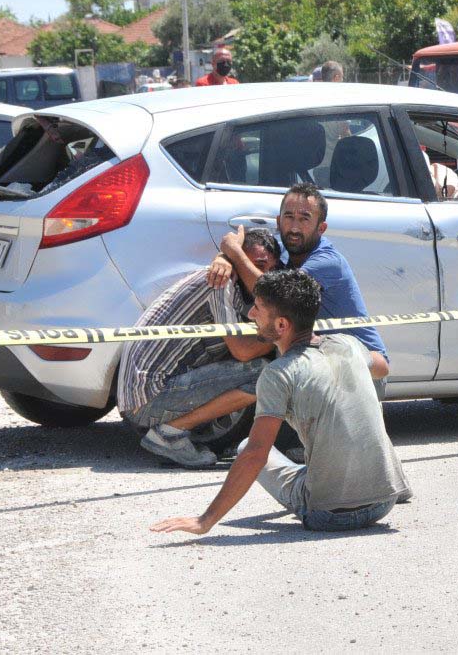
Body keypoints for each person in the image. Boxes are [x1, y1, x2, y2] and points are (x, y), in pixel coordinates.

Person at [150, 270, 411, 534]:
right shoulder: (348, 344)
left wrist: (204, 520)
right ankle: (388, 480)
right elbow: (382, 368)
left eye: (259, 309)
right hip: (383, 502)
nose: (251, 314)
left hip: (330, 516)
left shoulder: (278, 374)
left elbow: (255, 455)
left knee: (243, 447)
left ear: (282, 326)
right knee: (363, 397)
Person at [118, 229, 281, 467]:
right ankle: (169, 435)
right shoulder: (218, 282)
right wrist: (281, 338)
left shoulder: (231, 283)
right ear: (239, 259)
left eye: (269, 270)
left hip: (142, 396)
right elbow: (242, 351)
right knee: (265, 374)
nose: (260, 275)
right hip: (145, 401)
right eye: (256, 265)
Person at [208, 183, 391, 388]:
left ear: (321, 228)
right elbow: (242, 244)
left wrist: (233, 253)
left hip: (361, 370)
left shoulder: (326, 262)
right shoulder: (285, 248)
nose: (294, 227)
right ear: (278, 222)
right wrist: (223, 258)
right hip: (319, 359)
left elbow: (275, 296)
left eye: (304, 219)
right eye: (288, 217)